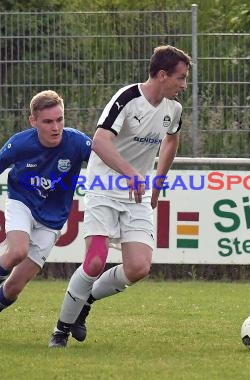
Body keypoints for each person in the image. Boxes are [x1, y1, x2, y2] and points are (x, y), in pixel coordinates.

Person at [48, 45, 192, 348]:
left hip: (136, 193)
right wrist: (129, 172)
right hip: (103, 187)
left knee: (138, 268)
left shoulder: (173, 109)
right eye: (181, 78)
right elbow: (99, 141)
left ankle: (85, 303)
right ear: (163, 75)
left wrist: (157, 182)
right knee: (95, 261)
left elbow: (171, 140)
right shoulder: (127, 98)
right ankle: (60, 330)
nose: (184, 85)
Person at [0, 90, 91, 338]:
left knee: (14, 288)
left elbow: (107, 160)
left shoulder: (77, 142)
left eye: (60, 119)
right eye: (48, 121)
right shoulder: (20, 143)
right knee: (16, 251)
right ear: (33, 121)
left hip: (53, 221)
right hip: (21, 203)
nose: (56, 127)